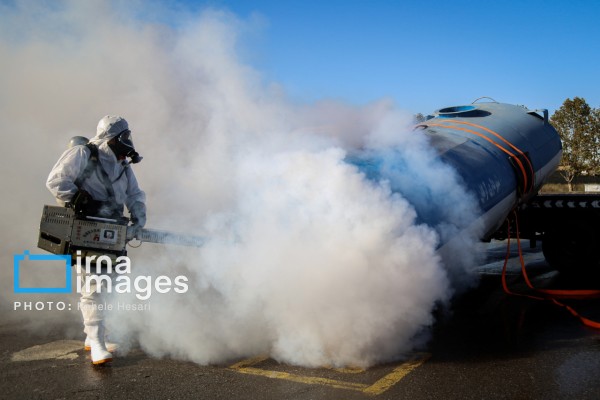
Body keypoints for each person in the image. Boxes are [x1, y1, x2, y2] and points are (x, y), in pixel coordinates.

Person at [46, 116, 147, 365]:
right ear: (110, 137)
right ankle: (98, 344)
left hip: (112, 228)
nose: (126, 142)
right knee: (92, 287)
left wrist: (138, 215)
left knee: (111, 285)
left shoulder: (123, 164)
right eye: (122, 137)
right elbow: (56, 181)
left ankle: (94, 337)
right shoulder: (83, 153)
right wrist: (81, 200)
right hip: (87, 226)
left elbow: (134, 193)